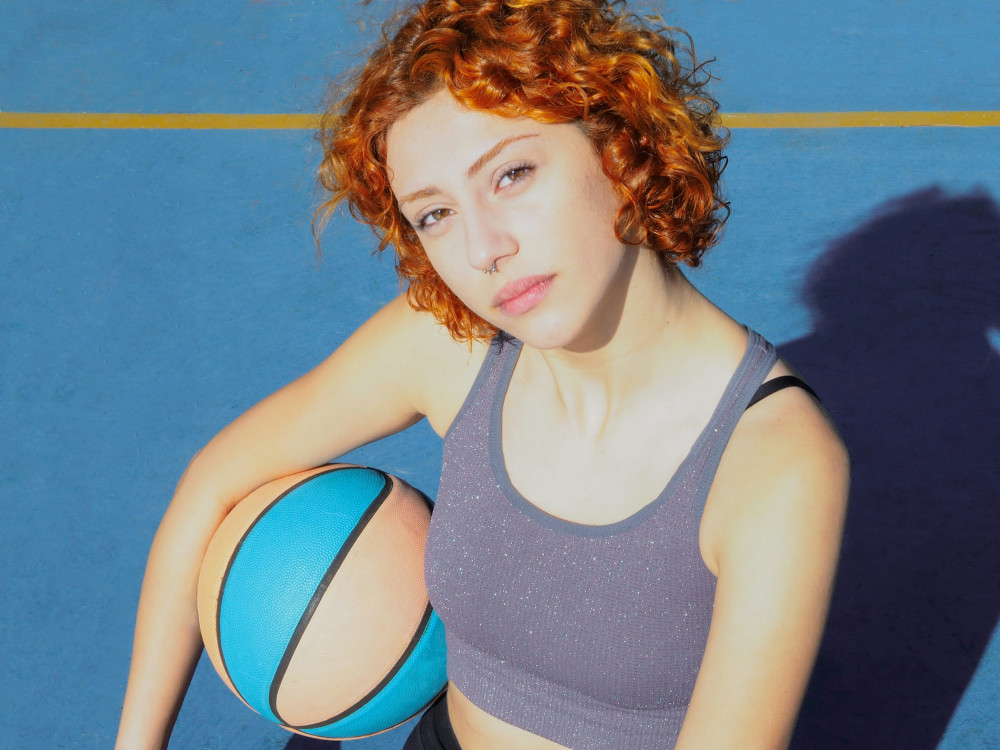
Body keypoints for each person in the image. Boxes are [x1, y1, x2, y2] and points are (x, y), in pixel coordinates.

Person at [115, 1, 849, 748]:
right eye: (435, 214)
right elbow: (213, 485)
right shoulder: (452, 348)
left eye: (512, 174)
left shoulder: (774, 463)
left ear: (619, 146)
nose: (483, 248)